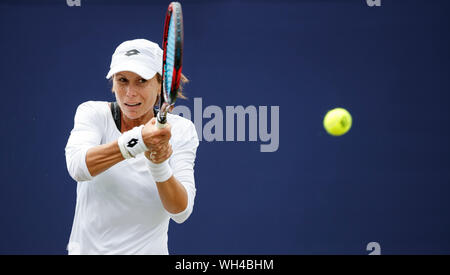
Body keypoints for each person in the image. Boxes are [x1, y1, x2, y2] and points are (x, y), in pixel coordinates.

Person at [65, 39, 199, 255]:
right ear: (113, 83)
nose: (130, 93)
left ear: (160, 85)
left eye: (141, 81)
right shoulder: (92, 113)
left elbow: (181, 211)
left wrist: (159, 165)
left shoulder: (182, 130)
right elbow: (78, 167)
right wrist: (139, 141)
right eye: (123, 80)